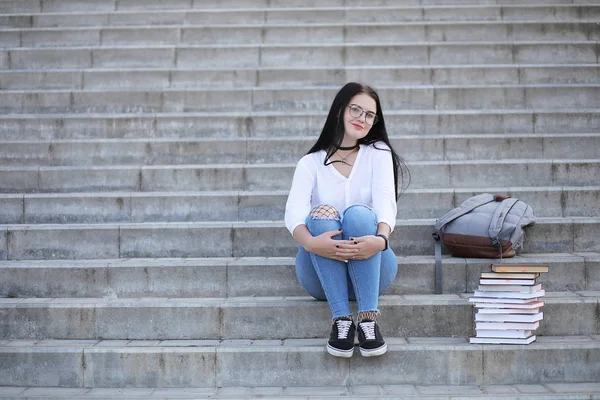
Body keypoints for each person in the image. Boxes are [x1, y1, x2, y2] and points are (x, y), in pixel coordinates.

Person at [284, 82, 410, 358]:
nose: (361, 119)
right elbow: (293, 214)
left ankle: (368, 320)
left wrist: (380, 240)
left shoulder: (378, 153)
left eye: (369, 115)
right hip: (320, 275)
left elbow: (386, 202)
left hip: (374, 269)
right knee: (321, 214)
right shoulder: (311, 163)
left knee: (359, 214)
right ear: (340, 110)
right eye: (356, 109)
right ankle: (341, 319)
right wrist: (313, 244)